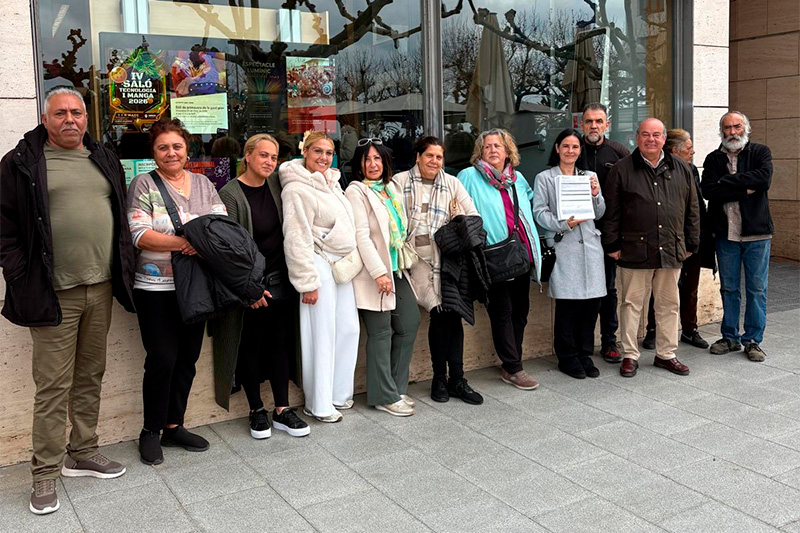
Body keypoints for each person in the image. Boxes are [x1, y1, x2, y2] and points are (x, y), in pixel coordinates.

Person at [0, 87, 135, 515]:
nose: (70, 120)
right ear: (45, 119)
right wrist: (22, 276)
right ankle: (44, 474)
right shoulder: (21, 164)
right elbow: (4, 230)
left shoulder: (104, 157)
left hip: (101, 287)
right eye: (61, 113)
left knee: (91, 374)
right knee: (53, 386)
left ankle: (85, 451)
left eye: (77, 112)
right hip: (52, 293)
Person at [127, 118, 227, 465]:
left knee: (187, 358)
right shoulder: (144, 183)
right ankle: (150, 431)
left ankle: (174, 425)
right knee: (162, 359)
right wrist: (189, 242)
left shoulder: (202, 183)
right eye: (163, 147)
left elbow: (221, 226)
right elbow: (140, 235)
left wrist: (195, 243)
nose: (171, 153)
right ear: (154, 153)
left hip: (196, 285)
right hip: (155, 287)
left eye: (177, 146)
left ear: (187, 149)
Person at [210, 134, 310, 438]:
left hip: (280, 282)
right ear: (248, 156)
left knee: (280, 346)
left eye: (274, 157)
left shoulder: (277, 186)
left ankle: (282, 409)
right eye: (263, 155)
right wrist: (250, 289)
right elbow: (230, 248)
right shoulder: (230, 193)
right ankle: (256, 410)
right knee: (250, 347)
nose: (269, 162)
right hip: (248, 287)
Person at [602, 118, 700, 378]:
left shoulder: (681, 167)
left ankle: (666, 354)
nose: (651, 139)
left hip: (671, 248)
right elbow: (611, 212)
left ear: (664, 139)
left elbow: (692, 208)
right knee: (631, 304)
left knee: (669, 304)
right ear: (637, 138)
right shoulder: (622, 169)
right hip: (633, 249)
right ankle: (630, 355)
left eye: (656, 135)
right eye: (645, 134)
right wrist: (611, 244)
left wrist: (691, 242)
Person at [395, 136, 484, 405]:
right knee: (440, 312)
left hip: (448, 260)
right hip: (413, 260)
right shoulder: (400, 182)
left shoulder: (452, 183)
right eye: (429, 155)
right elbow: (392, 220)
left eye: (439, 157)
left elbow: (474, 218)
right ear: (418, 157)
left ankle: (454, 378)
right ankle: (441, 377)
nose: (435, 161)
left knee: (451, 314)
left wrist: (456, 218)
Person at [279, 131, 359, 423]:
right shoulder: (296, 188)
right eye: (318, 152)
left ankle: (338, 393)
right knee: (321, 333)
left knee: (348, 328)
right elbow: (296, 236)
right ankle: (319, 402)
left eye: (328, 152)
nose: (324, 158)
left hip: (342, 264)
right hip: (318, 263)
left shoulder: (333, 183)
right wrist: (306, 281)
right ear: (305, 152)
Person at [457, 129, 541, 390]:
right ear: (480, 152)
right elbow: (458, 211)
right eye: (487, 146)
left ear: (508, 152)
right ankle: (514, 367)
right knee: (501, 311)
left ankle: (510, 362)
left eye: (498, 146)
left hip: (520, 253)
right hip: (492, 256)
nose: (493, 150)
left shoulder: (517, 178)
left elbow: (531, 205)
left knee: (521, 311)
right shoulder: (469, 176)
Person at [345, 138, 420, 416]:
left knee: (409, 322)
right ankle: (383, 396)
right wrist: (378, 273)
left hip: (397, 268)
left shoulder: (390, 189)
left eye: (377, 159)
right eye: (367, 159)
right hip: (373, 273)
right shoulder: (357, 192)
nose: (372, 164)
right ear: (359, 165)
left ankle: (397, 388)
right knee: (380, 333)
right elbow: (361, 236)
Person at [532, 129, 606, 379]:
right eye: (565, 146)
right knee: (568, 306)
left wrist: (596, 194)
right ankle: (567, 357)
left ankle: (585, 354)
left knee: (591, 306)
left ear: (580, 150)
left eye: (575, 147)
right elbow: (539, 212)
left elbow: (600, 211)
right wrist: (563, 223)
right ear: (557, 148)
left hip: (591, 247)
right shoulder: (545, 178)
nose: (570, 151)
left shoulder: (589, 176)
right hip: (564, 245)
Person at [701, 111, 773, 362]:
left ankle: (753, 340)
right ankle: (729, 337)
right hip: (725, 235)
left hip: (757, 234)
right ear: (721, 130)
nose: (732, 132)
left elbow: (763, 180)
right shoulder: (712, 159)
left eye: (737, 126)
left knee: (756, 289)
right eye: (727, 127)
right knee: (729, 288)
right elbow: (708, 190)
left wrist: (727, 182)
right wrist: (744, 189)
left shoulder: (760, 152)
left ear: (746, 128)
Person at [642, 129, 711, 350]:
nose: (692, 152)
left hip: (691, 237)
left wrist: (696, 237)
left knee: (690, 286)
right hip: (667, 239)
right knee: (659, 288)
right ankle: (653, 330)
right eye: (688, 149)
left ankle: (690, 329)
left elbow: (697, 205)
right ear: (674, 151)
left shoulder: (691, 170)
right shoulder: (659, 170)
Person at [578, 103, 630, 364]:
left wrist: (620, 237)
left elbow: (630, 195)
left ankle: (609, 340)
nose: (593, 126)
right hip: (577, 233)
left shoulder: (619, 152)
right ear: (581, 124)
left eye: (599, 121)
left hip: (609, 233)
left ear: (607, 125)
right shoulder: (572, 150)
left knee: (608, 289)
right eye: (589, 121)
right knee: (582, 289)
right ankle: (581, 341)